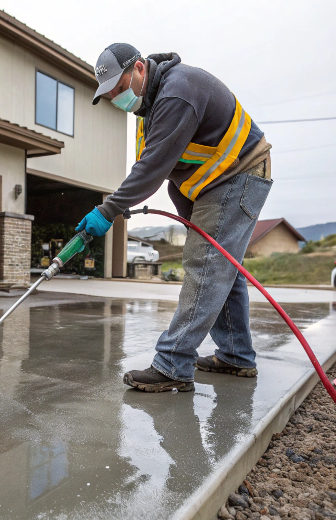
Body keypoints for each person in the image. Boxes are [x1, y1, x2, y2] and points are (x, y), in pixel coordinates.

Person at [76, 43, 272, 393]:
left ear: (138, 68)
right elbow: (166, 172)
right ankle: (236, 356)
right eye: (108, 95)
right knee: (221, 268)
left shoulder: (177, 94)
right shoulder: (149, 110)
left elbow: (152, 169)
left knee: (207, 265)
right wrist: (189, 217)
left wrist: (108, 209)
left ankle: (172, 365)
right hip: (214, 183)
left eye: (119, 88)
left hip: (238, 174)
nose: (116, 99)